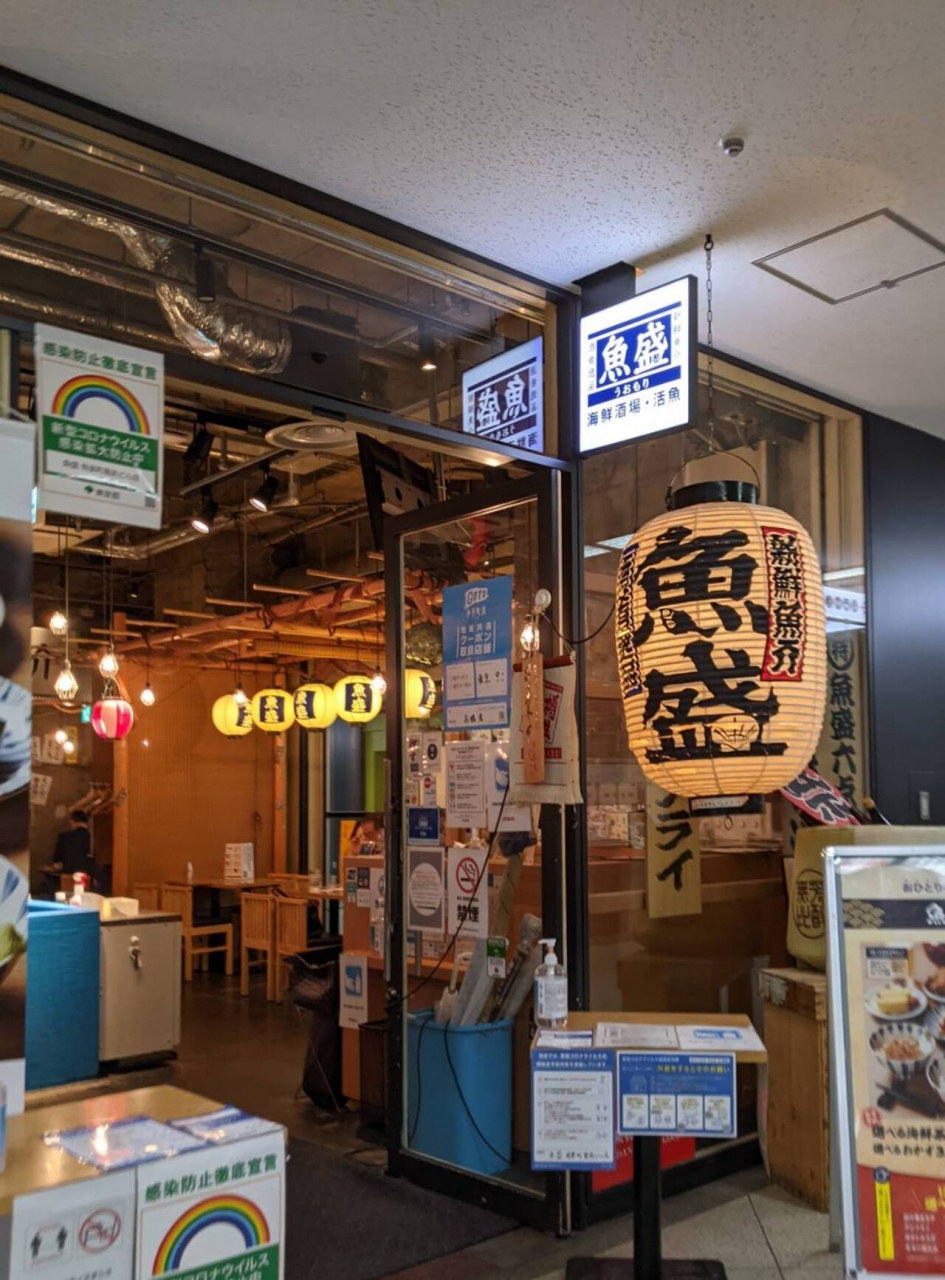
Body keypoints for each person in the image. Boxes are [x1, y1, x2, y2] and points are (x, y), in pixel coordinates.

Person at [52, 810, 96, 885]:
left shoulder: (64, 837)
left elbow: (56, 858)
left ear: (72, 821)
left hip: (69, 876)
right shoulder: (93, 837)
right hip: (88, 878)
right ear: (87, 822)